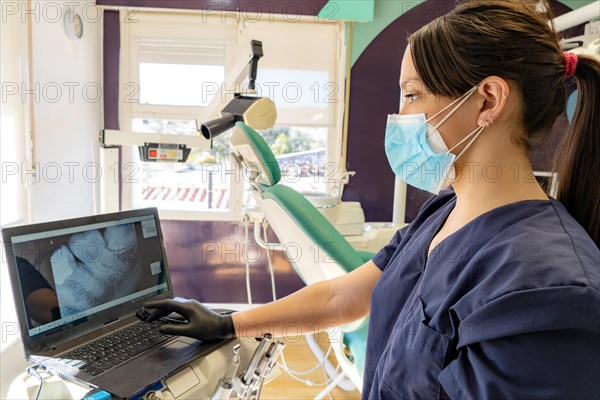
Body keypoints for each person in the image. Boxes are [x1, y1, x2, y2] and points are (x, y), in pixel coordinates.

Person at [145, 0, 600, 398]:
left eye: (411, 94)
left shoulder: (547, 290)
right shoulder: (442, 213)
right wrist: (229, 324)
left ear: (487, 101)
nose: (399, 116)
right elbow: (341, 297)